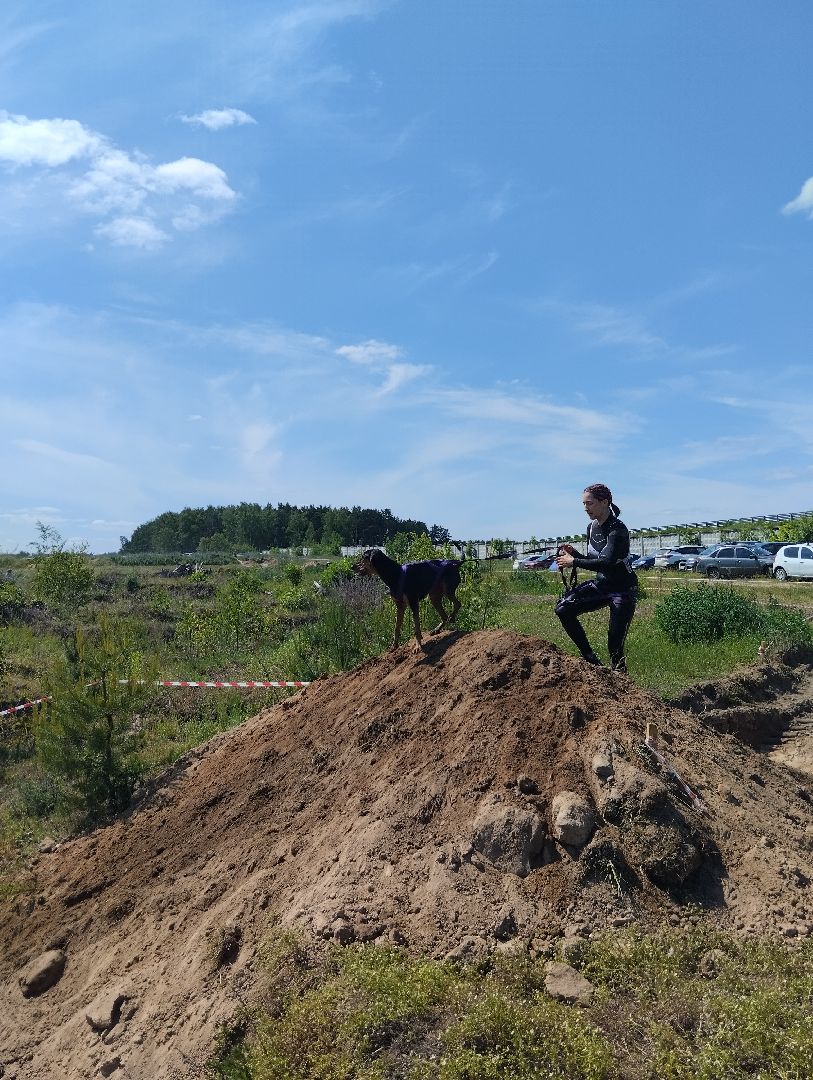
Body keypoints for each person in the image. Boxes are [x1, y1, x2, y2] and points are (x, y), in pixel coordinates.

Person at [554, 483, 638, 673]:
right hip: (602, 585)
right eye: (583, 504)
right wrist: (575, 554)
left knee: (615, 646)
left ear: (604, 502)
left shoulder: (618, 530)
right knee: (563, 609)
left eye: (589, 504)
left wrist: (574, 561)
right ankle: (591, 660)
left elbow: (607, 563)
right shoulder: (591, 528)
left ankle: (624, 688)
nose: (585, 509)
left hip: (623, 590)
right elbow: (595, 561)